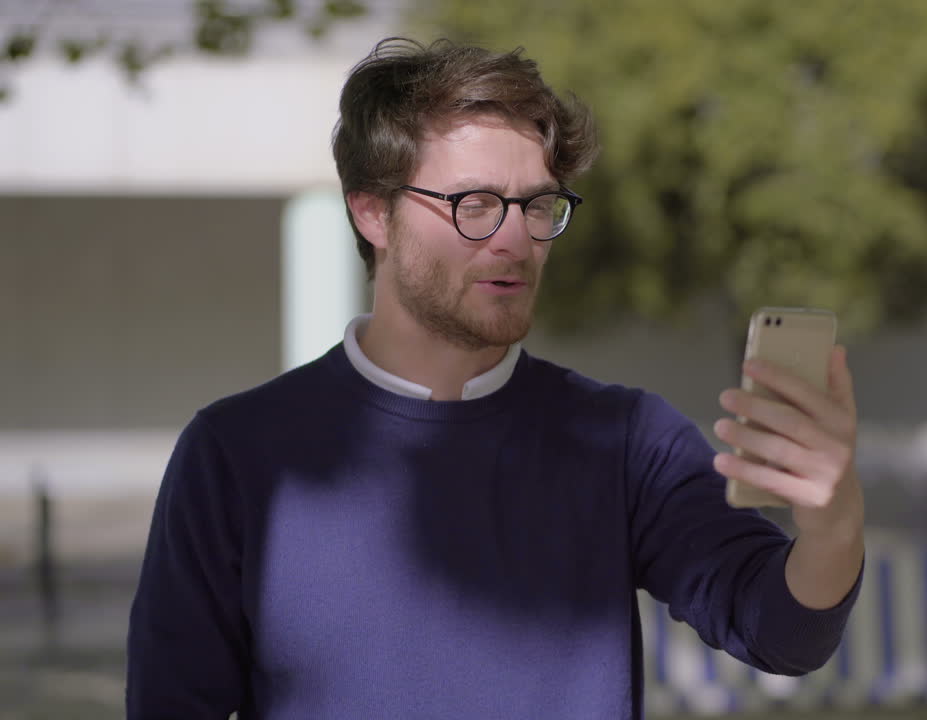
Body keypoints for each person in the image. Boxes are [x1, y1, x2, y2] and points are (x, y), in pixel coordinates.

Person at [126, 37, 865, 719]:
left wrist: (833, 523)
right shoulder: (239, 454)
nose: (515, 238)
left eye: (537, 205)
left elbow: (780, 633)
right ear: (373, 214)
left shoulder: (625, 441)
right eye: (473, 205)